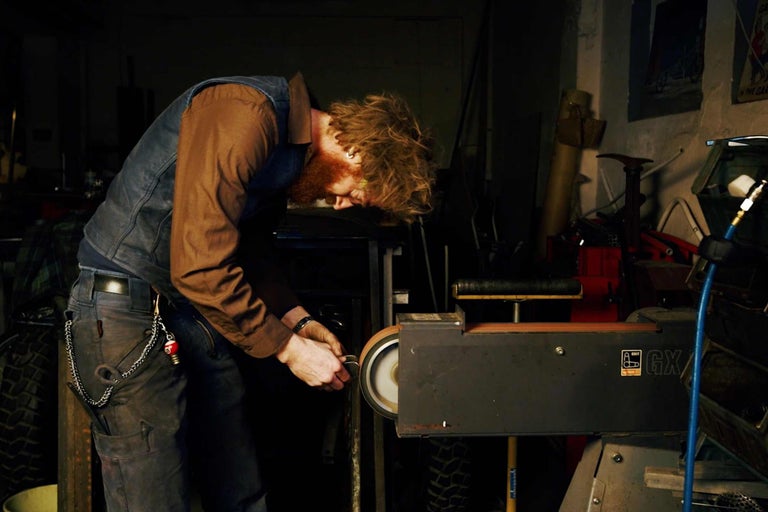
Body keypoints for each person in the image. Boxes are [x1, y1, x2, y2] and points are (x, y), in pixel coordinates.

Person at [64, 72, 435, 511]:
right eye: (358, 192)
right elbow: (200, 265)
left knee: (237, 485)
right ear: (359, 150)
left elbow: (250, 247)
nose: (341, 203)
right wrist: (289, 350)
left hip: (186, 310)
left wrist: (299, 321)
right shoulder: (245, 115)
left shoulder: (287, 152)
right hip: (124, 309)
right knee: (154, 497)